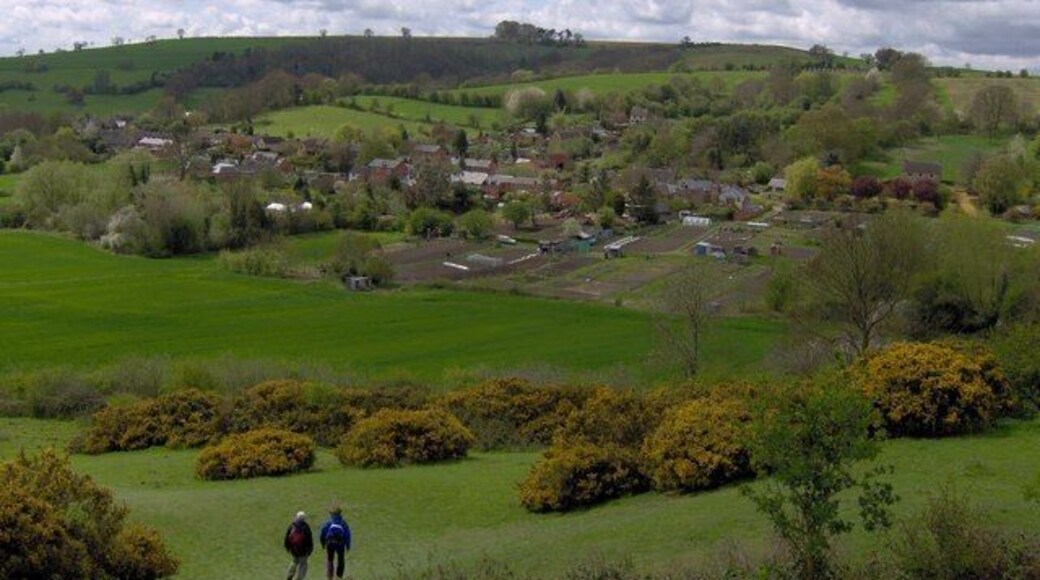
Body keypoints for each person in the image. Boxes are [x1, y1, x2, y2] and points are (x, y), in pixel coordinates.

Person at [319, 504, 352, 580]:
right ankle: (339, 576)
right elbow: (347, 535)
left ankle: (329, 576)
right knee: (341, 559)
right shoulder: (343, 523)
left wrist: (323, 543)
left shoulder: (328, 523)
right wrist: (348, 545)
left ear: (331, 514)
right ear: (340, 513)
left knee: (330, 559)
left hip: (330, 543)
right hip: (340, 544)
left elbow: (322, 534)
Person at [284, 511, 314, 580]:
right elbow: (309, 540)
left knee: (294, 561)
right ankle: (299, 578)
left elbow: (287, 538)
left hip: (294, 549)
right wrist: (310, 550)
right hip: (303, 551)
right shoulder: (306, 527)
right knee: (303, 564)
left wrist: (288, 547)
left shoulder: (292, 526)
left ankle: (289, 576)